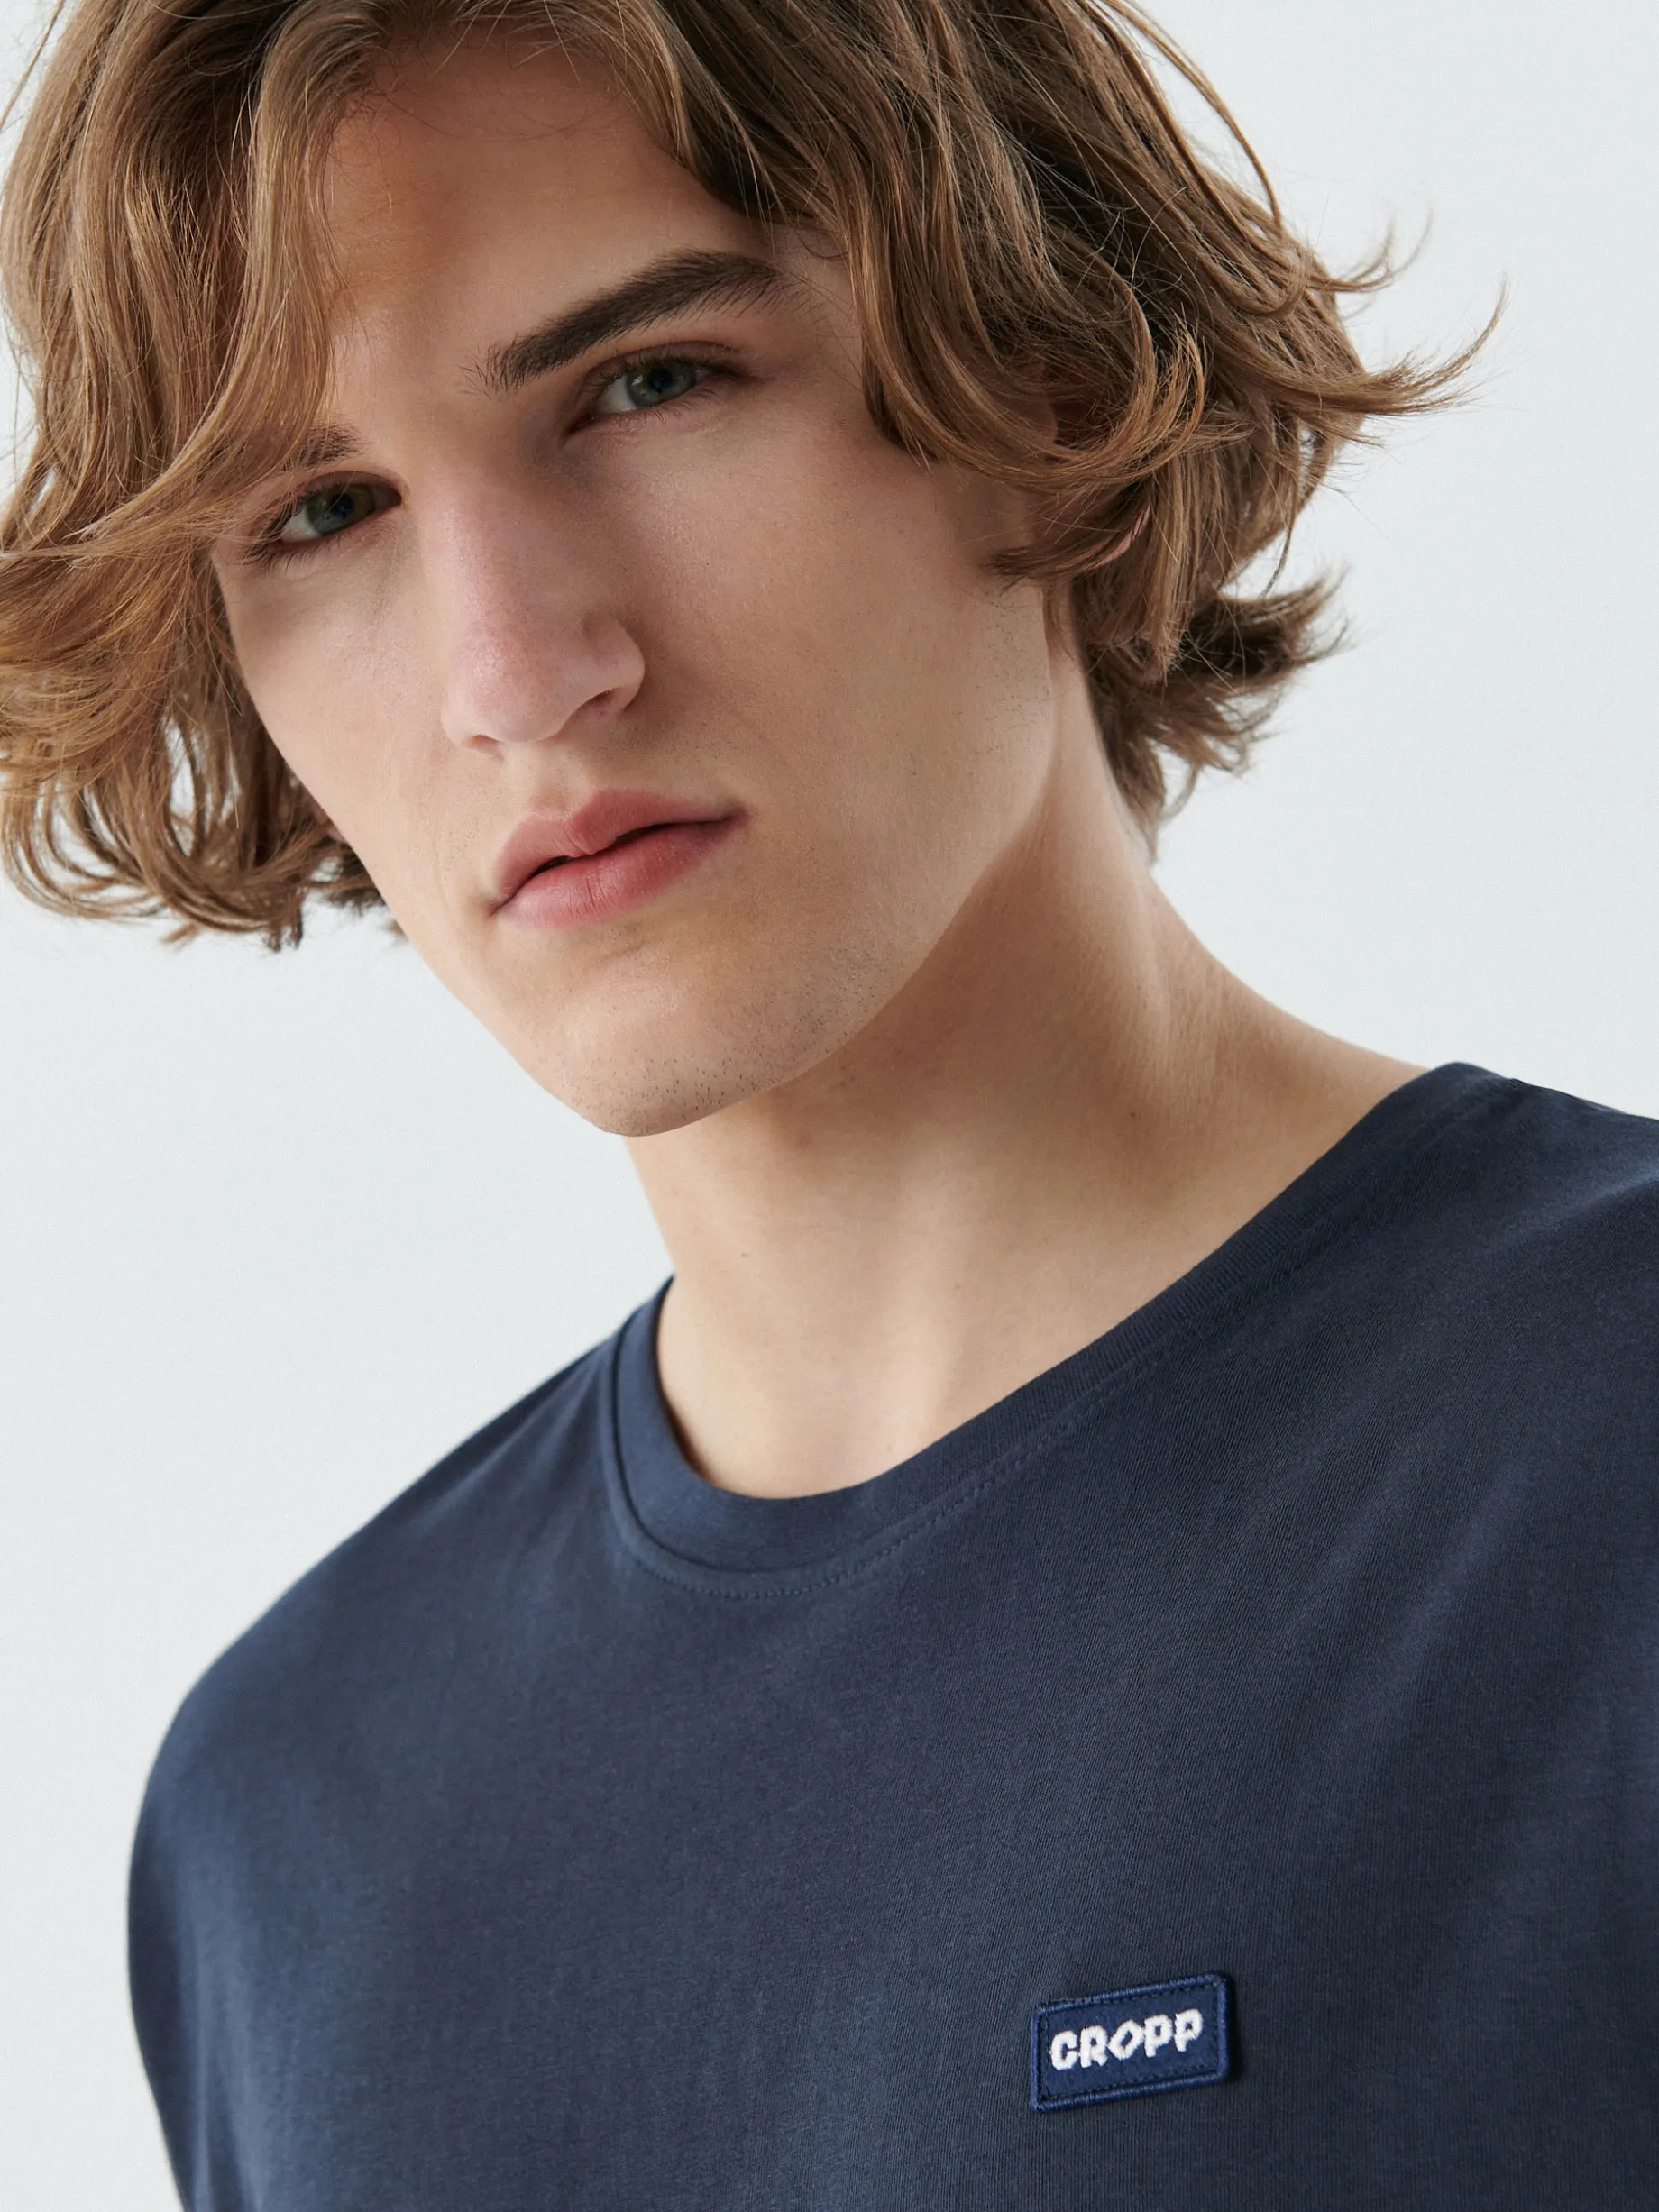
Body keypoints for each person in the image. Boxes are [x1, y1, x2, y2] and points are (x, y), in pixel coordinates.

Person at [1, 0, 1653, 2204]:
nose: (516, 676)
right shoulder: (287, 1820)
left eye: (646, 385)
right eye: (319, 513)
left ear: (1041, 366)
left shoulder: (1597, 1455)